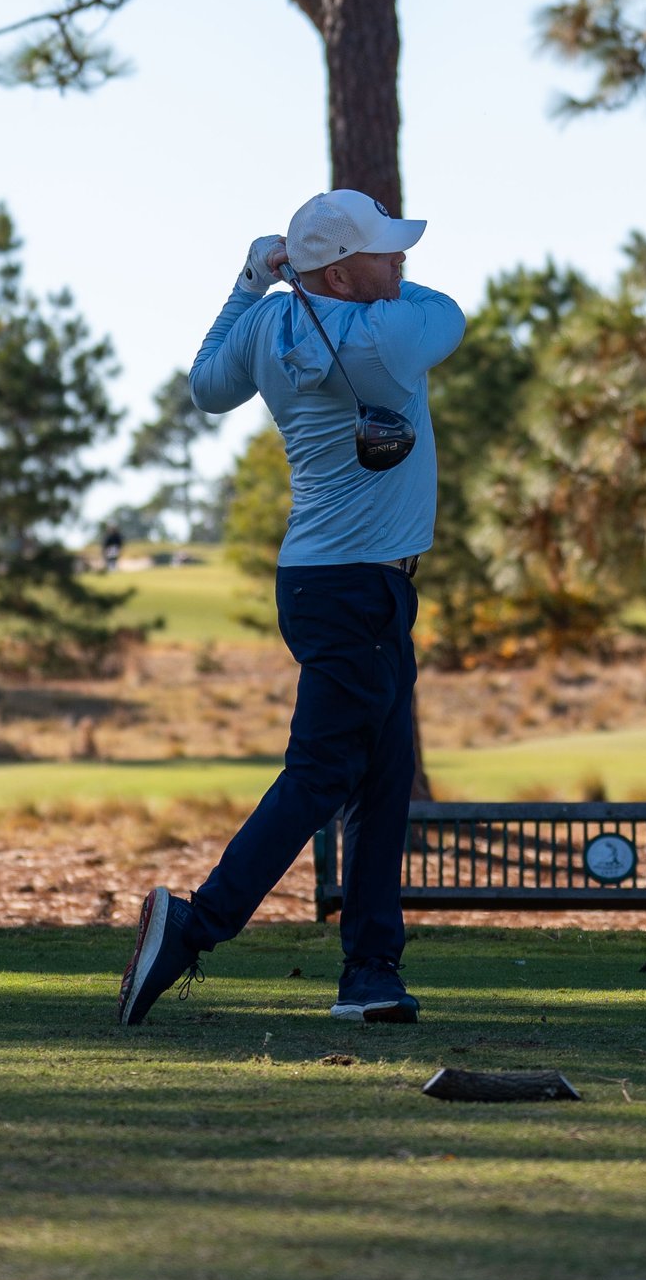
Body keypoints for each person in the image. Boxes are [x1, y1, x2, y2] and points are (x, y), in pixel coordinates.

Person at [117, 188, 465, 1030]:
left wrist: (254, 280)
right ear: (342, 271)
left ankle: (372, 975)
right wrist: (321, 281)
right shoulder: (388, 333)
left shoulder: (270, 325)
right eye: (384, 252)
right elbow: (448, 314)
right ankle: (192, 928)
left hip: (331, 582)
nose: (402, 261)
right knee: (323, 776)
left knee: (381, 784)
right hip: (355, 587)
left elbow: (207, 385)